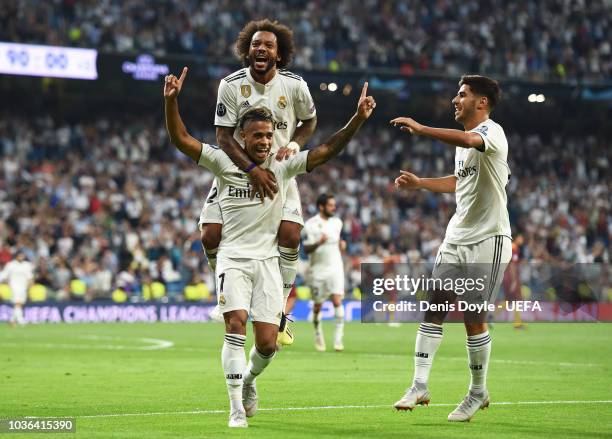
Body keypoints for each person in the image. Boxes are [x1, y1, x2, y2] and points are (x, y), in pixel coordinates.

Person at [164, 67, 375, 428]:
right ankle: (233, 409)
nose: (264, 141)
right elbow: (181, 138)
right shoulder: (222, 161)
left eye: (269, 134)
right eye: (257, 135)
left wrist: (356, 119)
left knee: (266, 344)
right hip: (233, 258)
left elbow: (326, 150)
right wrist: (170, 102)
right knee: (235, 324)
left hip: (268, 264)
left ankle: (248, 381)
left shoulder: (282, 167)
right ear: (241, 136)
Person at [391, 75, 512, 422]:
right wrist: (421, 184)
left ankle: (477, 392)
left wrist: (421, 128)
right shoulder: (467, 145)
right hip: (456, 237)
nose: (454, 100)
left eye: (462, 95)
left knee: (473, 319)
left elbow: (469, 138)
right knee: (435, 308)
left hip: (488, 240)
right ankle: (419, 385)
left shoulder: (492, 133)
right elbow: (460, 182)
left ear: (482, 102)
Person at [201, 19, 317, 346]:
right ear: (247, 51)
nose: (261, 49)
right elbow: (222, 136)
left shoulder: (294, 86)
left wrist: (295, 143)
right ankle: (224, 291)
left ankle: (280, 309)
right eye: (255, 44)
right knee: (210, 233)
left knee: (291, 234)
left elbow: (310, 121)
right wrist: (252, 169)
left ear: (279, 55)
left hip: (280, 170)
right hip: (239, 169)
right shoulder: (231, 85)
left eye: (268, 45)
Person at [302, 193, 347, 351]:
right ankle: (318, 334)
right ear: (321, 206)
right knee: (317, 307)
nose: (334, 207)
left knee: (337, 301)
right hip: (317, 270)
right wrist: (318, 242)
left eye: (334, 205)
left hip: (335, 267)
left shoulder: (337, 222)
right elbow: (306, 249)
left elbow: (339, 241)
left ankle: (338, 340)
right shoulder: (310, 224)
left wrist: (342, 245)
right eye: (330, 205)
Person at [0, 251, 35, 326]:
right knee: (17, 302)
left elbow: (30, 276)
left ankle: (12, 320)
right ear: (16, 256)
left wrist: (30, 284)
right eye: (20, 256)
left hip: (24, 286)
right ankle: (20, 320)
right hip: (14, 286)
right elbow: (4, 274)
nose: (21, 257)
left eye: (22, 256)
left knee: (20, 303)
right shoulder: (11, 265)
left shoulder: (27, 265)